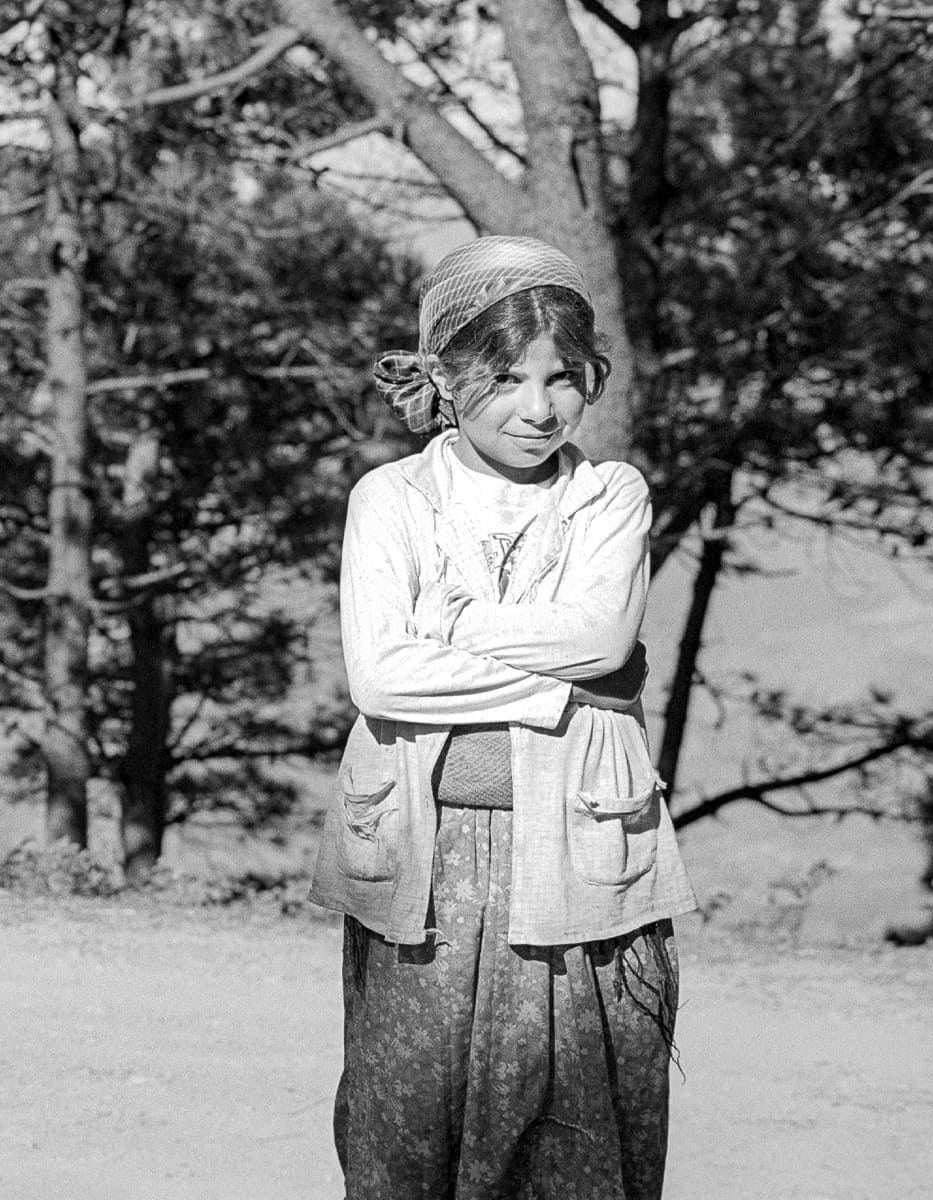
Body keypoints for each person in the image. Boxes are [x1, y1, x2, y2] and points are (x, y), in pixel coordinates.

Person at [309, 235, 697, 1200]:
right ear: (445, 377)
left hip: (574, 852)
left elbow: (604, 637)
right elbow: (386, 677)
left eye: (563, 377)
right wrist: (557, 691)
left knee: (576, 1137)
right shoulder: (392, 498)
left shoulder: (609, 496)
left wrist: (455, 624)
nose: (538, 407)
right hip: (422, 863)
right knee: (406, 1128)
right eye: (505, 377)